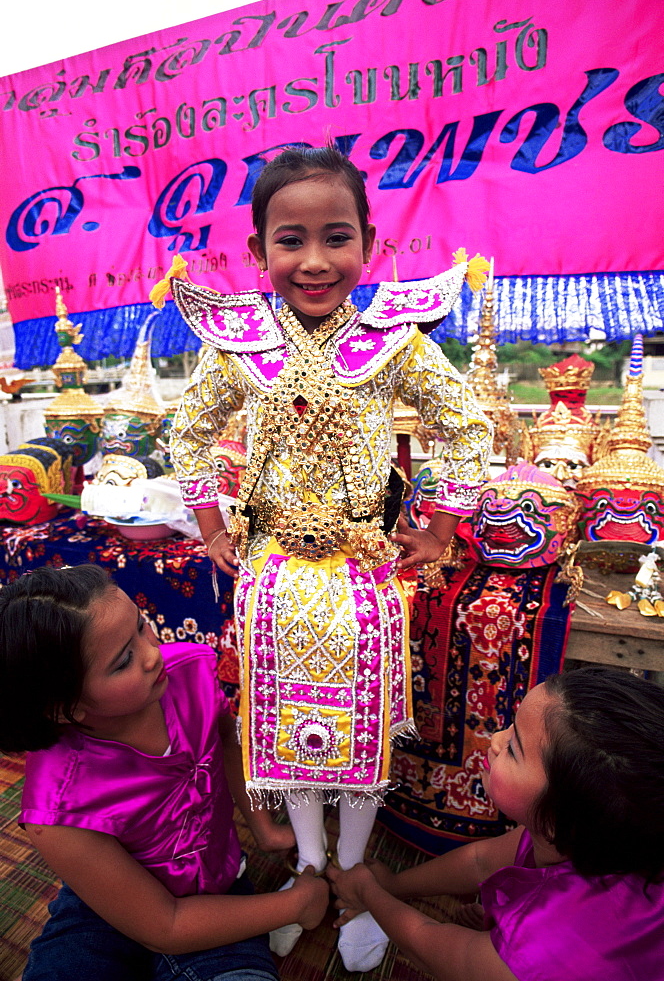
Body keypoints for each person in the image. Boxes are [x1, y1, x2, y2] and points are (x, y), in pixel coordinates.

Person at [162, 145, 493, 971]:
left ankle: (353, 875)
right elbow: (188, 432)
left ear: (369, 243)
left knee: (361, 737)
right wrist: (210, 527)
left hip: (364, 574)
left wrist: (443, 525)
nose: (314, 261)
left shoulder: (397, 338)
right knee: (288, 732)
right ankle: (309, 870)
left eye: (336, 237)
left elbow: (467, 427)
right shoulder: (236, 341)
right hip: (271, 572)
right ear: (256, 250)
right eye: (290, 240)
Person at [0, 565, 329, 981]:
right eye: (123, 662)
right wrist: (299, 904)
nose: (153, 653)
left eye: (142, 626)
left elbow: (227, 739)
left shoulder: (191, 671)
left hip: (218, 890)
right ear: (66, 707)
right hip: (104, 906)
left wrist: (260, 825)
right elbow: (165, 925)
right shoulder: (57, 807)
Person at [327, 667, 664, 981]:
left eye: (514, 749)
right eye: (511, 727)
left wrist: (367, 892)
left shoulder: (539, 950)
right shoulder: (581, 832)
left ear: (558, 821)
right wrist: (394, 886)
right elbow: (480, 861)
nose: (495, 739)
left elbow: (433, 947)